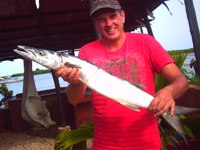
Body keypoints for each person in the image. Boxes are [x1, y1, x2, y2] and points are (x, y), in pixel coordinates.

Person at [56, 0, 188, 149]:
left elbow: (181, 81)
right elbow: (74, 99)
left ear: (122, 16)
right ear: (95, 23)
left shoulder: (146, 43)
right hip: (104, 145)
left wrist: (169, 91)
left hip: (146, 144)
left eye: (113, 16)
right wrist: (75, 82)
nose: (109, 23)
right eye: (101, 19)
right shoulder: (86, 51)